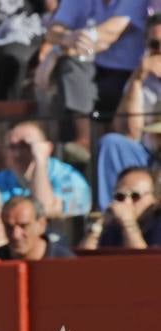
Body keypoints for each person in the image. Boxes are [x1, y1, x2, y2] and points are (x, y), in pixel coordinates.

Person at [43, 0, 151, 159]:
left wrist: (59, 50)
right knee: (69, 71)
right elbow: (53, 31)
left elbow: (110, 34)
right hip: (89, 71)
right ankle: (83, 142)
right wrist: (67, 38)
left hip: (128, 74)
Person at [95, 13, 161, 207]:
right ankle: (111, 216)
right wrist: (138, 79)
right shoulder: (142, 78)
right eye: (155, 45)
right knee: (112, 143)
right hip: (147, 154)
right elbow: (128, 132)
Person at [0, 121, 93, 216]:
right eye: (12, 146)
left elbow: (45, 212)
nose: (17, 153)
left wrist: (40, 160)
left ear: (47, 148)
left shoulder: (70, 179)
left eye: (25, 146)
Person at [79, 164, 161, 246]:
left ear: (155, 199)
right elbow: (84, 257)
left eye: (135, 196)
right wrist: (96, 228)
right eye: (120, 196)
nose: (126, 202)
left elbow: (144, 258)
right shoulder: (113, 227)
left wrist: (129, 225)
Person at [3, 195, 76, 259]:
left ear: (42, 225)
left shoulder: (66, 263)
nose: (15, 235)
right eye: (9, 227)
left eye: (23, 226)